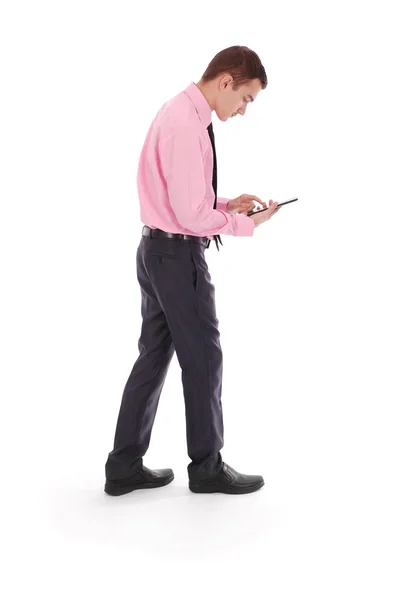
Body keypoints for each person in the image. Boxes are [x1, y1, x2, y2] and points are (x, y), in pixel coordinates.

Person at [104, 45, 281, 497]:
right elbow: (188, 215)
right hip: (178, 258)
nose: (243, 111)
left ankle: (123, 464)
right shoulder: (186, 124)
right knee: (203, 358)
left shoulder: (180, 112)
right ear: (227, 81)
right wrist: (247, 223)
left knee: (154, 355)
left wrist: (226, 204)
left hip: (155, 250)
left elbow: (184, 201)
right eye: (246, 99)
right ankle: (206, 467)